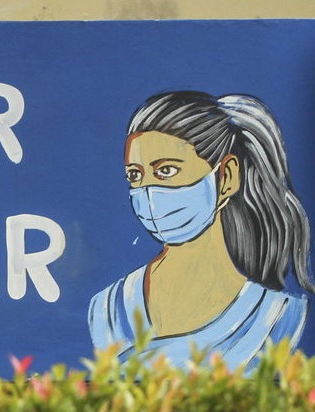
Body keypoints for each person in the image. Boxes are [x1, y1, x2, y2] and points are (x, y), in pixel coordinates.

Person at [89, 91, 314, 373]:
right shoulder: (107, 309)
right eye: (135, 175)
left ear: (227, 177)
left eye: (166, 171)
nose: (147, 192)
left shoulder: (279, 317)